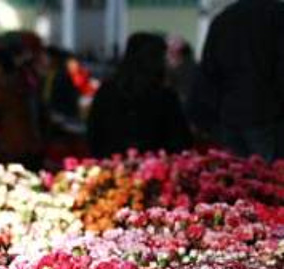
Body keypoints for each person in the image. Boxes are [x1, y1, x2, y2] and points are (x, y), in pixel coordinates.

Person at [199, 0, 284, 161]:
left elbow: (209, 70)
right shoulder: (277, 14)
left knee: (233, 176)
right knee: (271, 177)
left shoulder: (223, 18)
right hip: (268, 113)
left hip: (229, 114)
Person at [87, 32, 193, 158]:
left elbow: (94, 135)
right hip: (156, 169)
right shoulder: (164, 96)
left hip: (112, 168)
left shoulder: (107, 92)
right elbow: (181, 141)